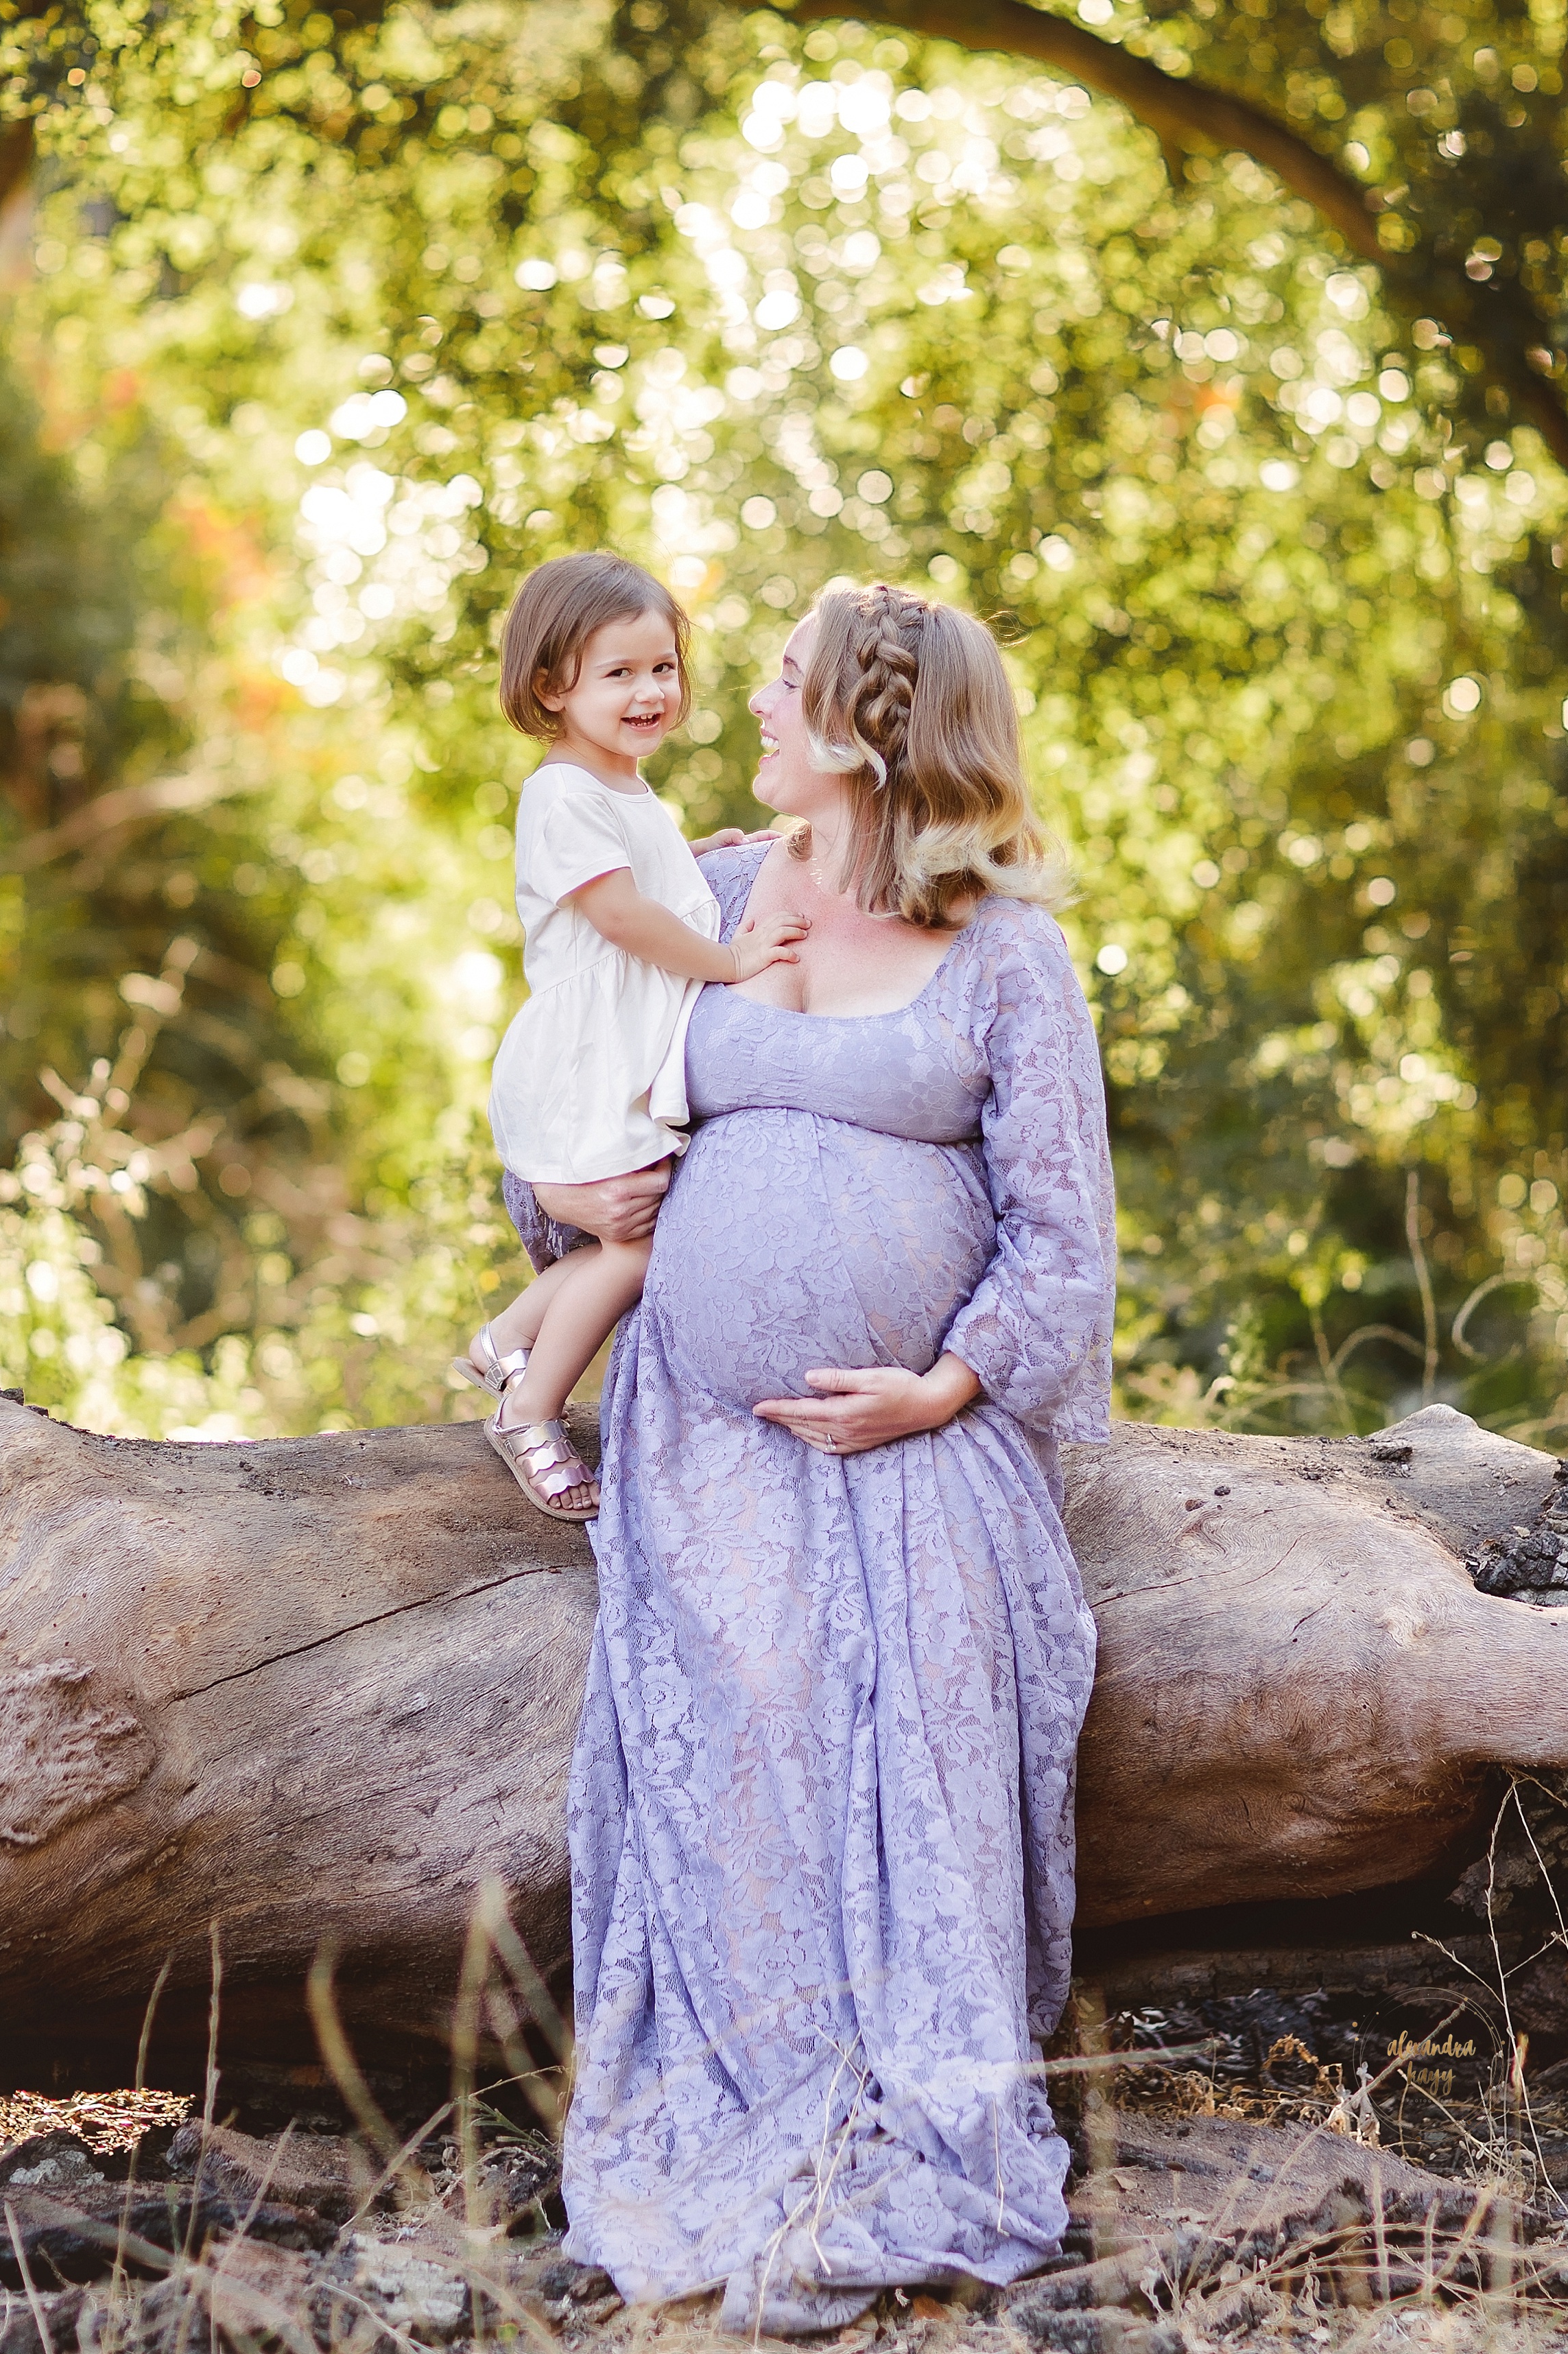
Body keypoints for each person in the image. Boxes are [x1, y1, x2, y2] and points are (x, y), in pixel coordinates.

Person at [504, 582, 1115, 2331]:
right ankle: (738, 2104)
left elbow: (1065, 1238)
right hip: (706, 1450)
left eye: (777, 685)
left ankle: (902, 2131)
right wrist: (557, 1193)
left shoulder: (1001, 949)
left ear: (868, 729)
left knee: (922, 1735)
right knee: (743, 1736)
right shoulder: (689, 888)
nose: (738, 708)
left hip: (921, 1449)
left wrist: (943, 1388)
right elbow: (558, 1075)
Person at [458, 553, 806, 1519]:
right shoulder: (561, 792)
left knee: (634, 1231)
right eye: (618, 674)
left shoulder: (618, 789)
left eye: (662, 667)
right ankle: (528, 1409)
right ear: (549, 687)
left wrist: (700, 861)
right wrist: (729, 957)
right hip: (582, 1070)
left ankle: (503, 1340)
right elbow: (616, 917)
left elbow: (636, 881)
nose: (649, 691)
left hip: (611, 1062)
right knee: (634, 1244)